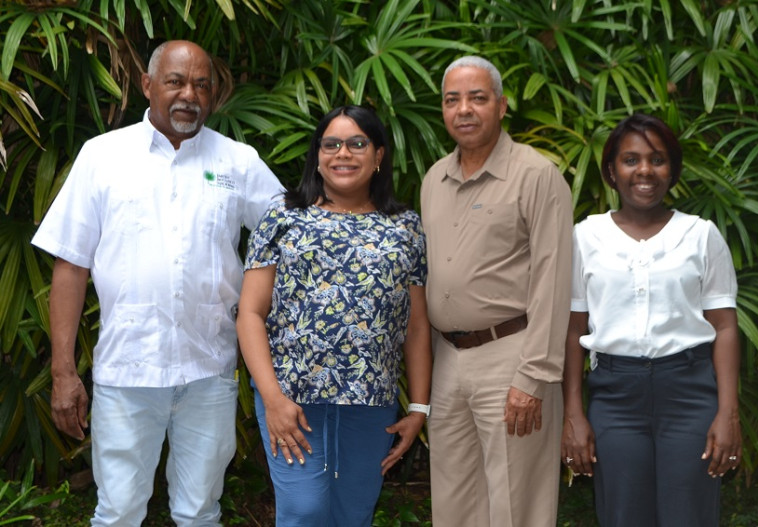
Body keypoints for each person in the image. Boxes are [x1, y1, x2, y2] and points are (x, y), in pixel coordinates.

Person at [31, 40, 284, 526]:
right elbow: (71, 266)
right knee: (120, 511)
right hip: (128, 373)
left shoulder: (239, 162)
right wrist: (63, 373)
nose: (189, 94)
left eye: (201, 84)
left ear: (213, 94)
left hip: (209, 373)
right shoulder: (102, 156)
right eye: (175, 81)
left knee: (199, 513)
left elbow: (289, 239)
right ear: (148, 85)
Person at [236, 105, 432, 527]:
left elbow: (416, 326)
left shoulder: (405, 227)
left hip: (370, 402)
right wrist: (272, 399)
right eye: (332, 144)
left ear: (378, 155)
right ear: (318, 155)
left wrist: (418, 407)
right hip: (292, 400)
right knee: (303, 510)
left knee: (353, 513)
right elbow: (250, 313)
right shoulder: (282, 217)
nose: (343, 153)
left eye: (357, 143)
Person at [561, 113, 741, 526]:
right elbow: (574, 331)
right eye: (631, 159)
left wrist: (727, 412)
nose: (644, 170)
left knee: (689, 516)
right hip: (615, 398)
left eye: (658, 159)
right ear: (611, 170)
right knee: (623, 516)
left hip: (690, 395)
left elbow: (725, 327)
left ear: (673, 170)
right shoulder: (585, 237)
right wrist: (573, 413)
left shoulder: (701, 235)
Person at [420, 56, 573, 526]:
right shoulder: (433, 179)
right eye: (452, 100)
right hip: (448, 360)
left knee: (516, 504)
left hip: (512, 359)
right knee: (454, 500)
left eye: (477, 98)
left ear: (503, 106)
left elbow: (554, 279)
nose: (464, 109)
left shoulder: (536, 176)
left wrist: (535, 375)